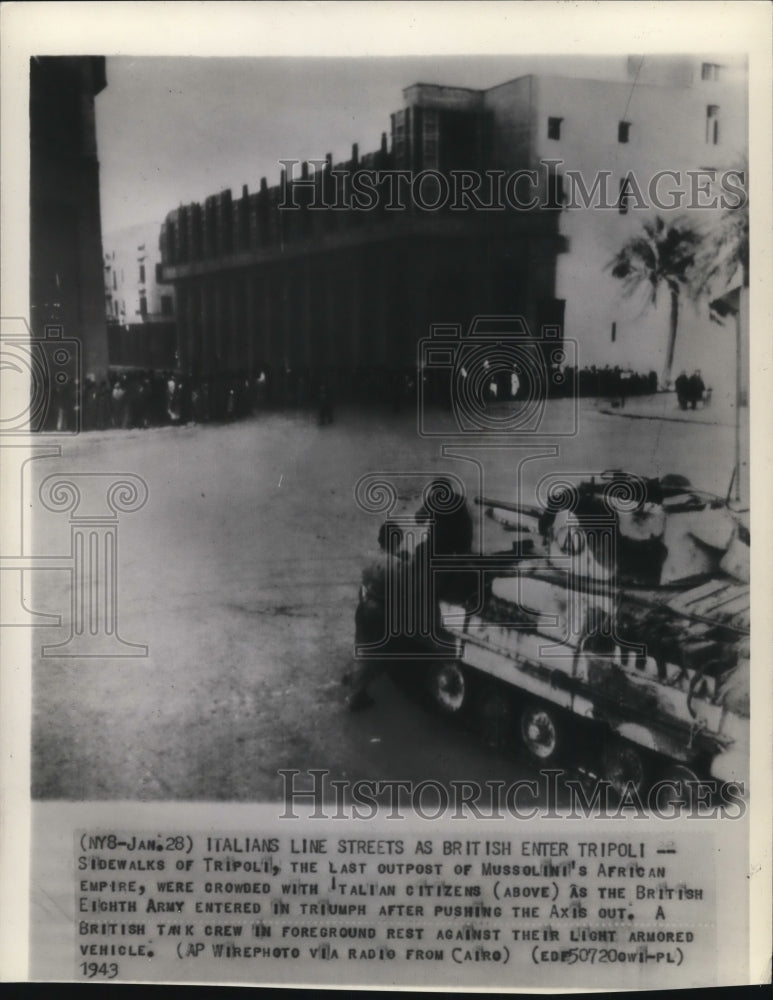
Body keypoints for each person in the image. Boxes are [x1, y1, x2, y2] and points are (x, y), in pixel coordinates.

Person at [347, 522, 406, 711]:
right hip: (379, 611)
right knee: (377, 652)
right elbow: (400, 592)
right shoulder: (396, 565)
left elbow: (363, 584)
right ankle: (357, 695)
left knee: (361, 646)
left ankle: (355, 679)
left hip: (364, 607)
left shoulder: (369, 556)